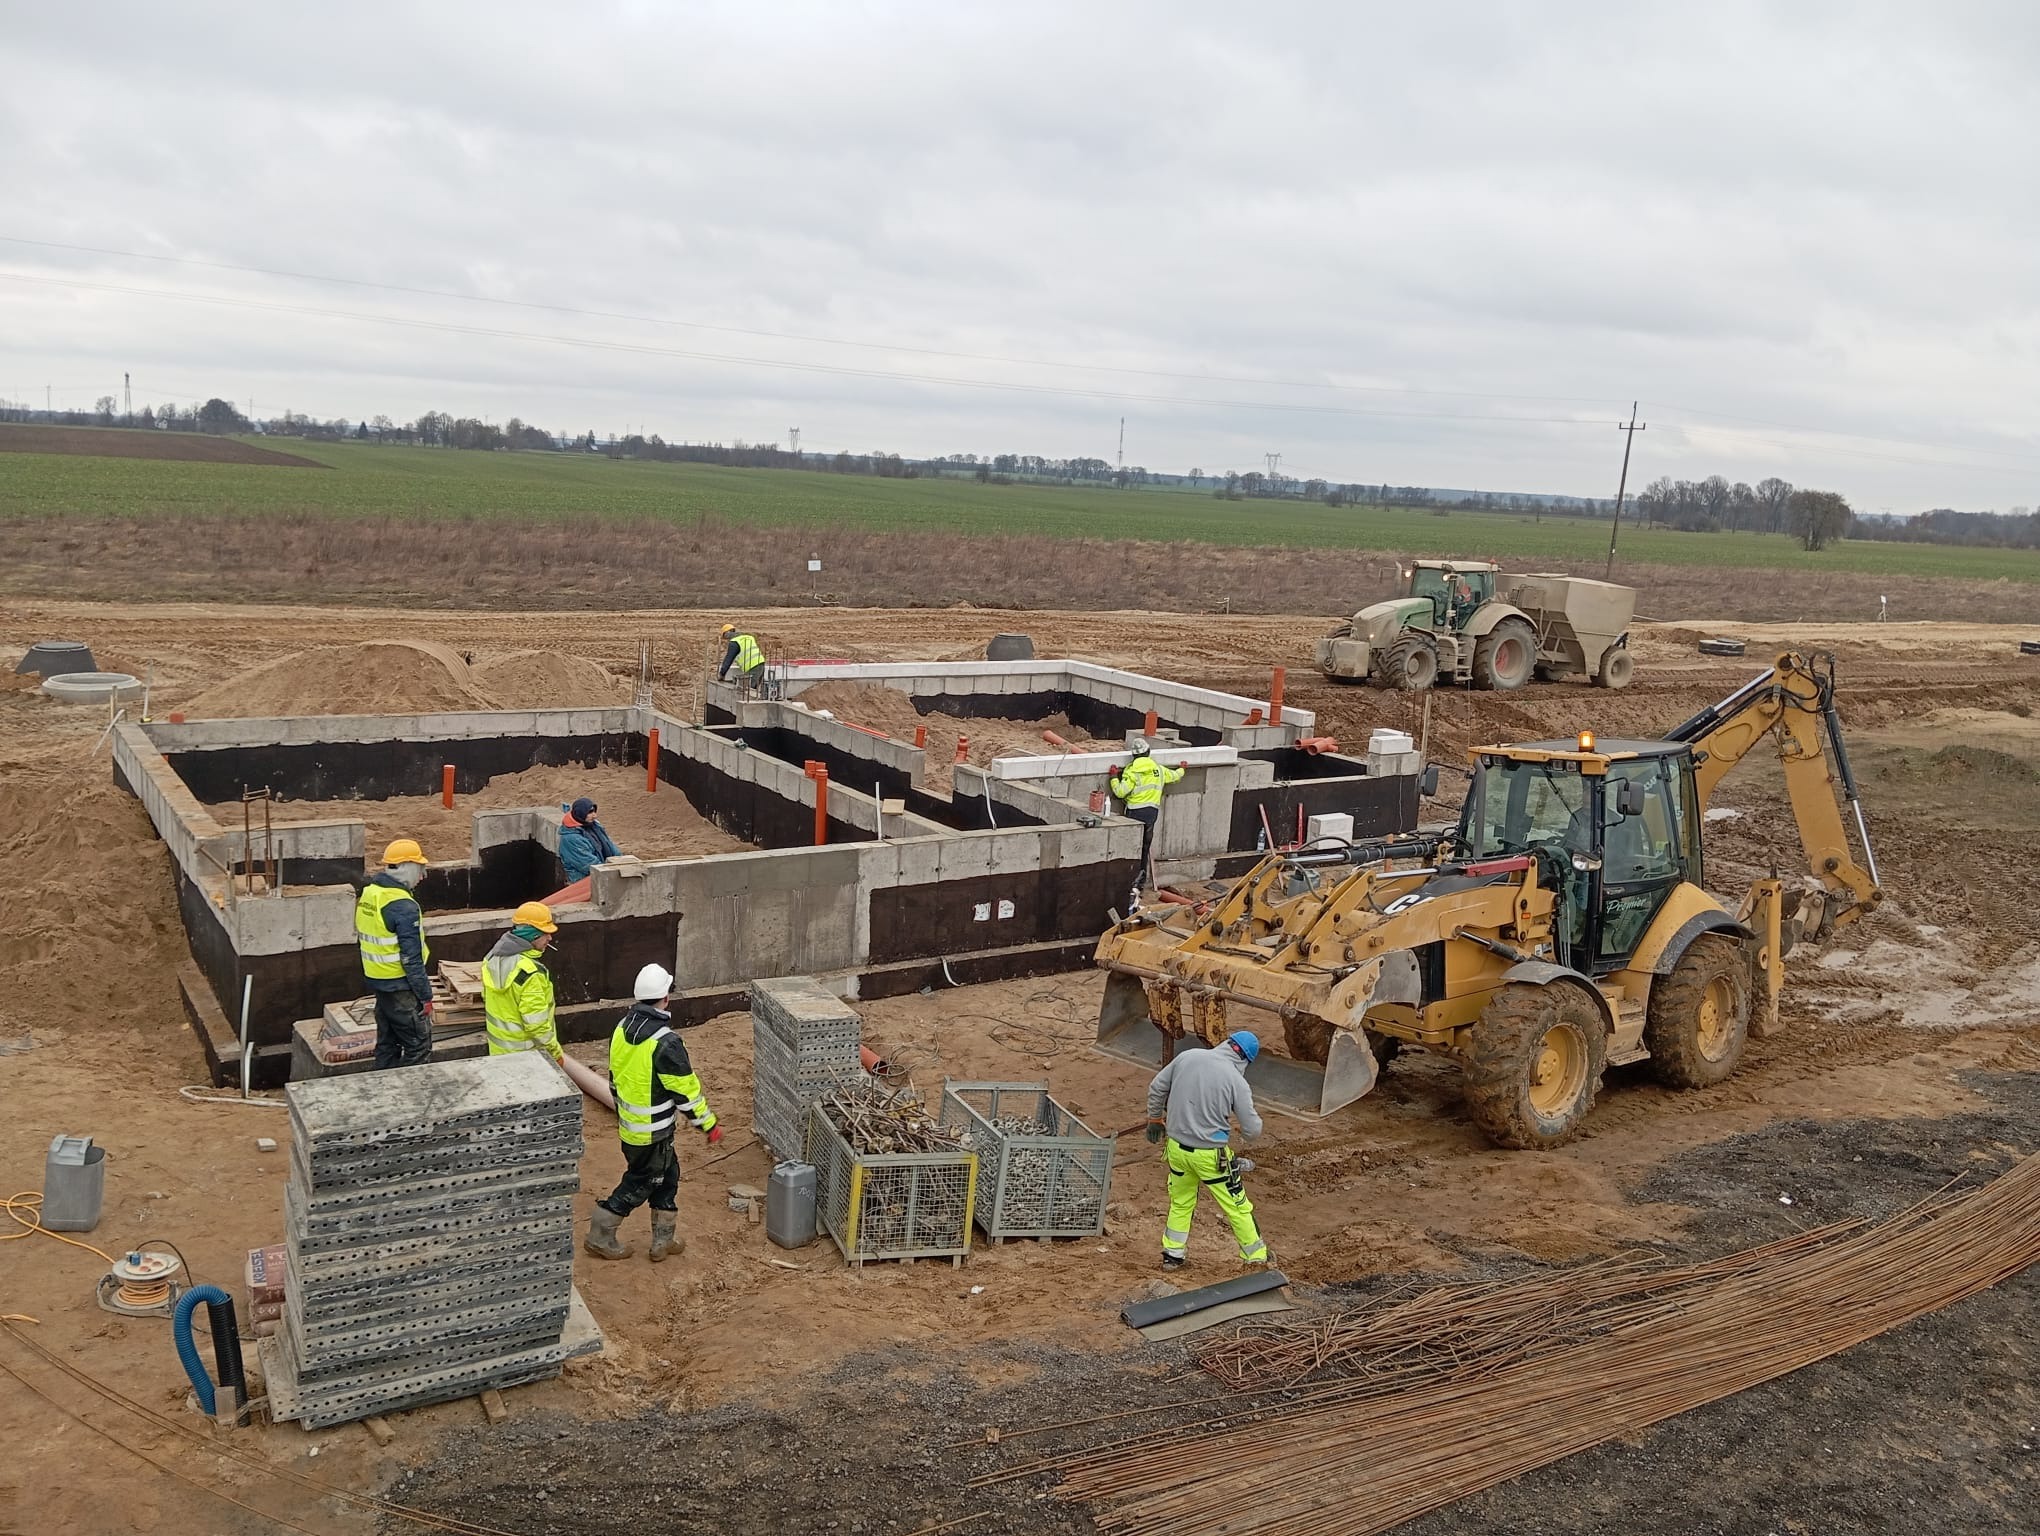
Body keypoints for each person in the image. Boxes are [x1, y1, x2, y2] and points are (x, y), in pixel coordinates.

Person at [584, 963, 723, 1263]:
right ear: (666, 998)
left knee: (669, 1175)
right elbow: (686, 1093)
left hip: (630, 1128)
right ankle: (600, 1233)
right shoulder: (666, 1042)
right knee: (643, 1181)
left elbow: (615, 1076)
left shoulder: (621, 1028)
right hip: (653, 1132)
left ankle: (663, 1240)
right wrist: (707, 1124)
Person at [1144, 1031, 1271, 1271]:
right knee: (1236, 1206)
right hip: (1210, 1156)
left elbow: (1157, 1087)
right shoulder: (1236, 1081)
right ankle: (1256, 1259)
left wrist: (1154, 1119)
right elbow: (1253, 1130)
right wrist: (1241, 1131)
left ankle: (1172, 1255)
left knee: (1181, 1203)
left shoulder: (1188, 1057)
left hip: (1176, 1150)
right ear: (1245, 1060)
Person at [355, 838, 434, 1070]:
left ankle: (383, 1091)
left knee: (387, 1044)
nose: (422, 877)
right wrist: (425, 996)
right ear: (407, 867)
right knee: (418, 1046)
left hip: (379, 982)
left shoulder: (371, 893)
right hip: (400, 987)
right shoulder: (402, 905)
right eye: (420, 870)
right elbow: (411, 959)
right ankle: (412, 1097)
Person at [481, 901, 561, 1062]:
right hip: (528, 1057)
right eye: (546, 933)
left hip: (498, 1052)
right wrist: (555, 1052)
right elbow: (536, 1024)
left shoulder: (492, 958)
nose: (550, 938)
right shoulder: (530, 973)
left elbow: (486, 996)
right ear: (533, 935)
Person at [1110, 737, 1185, 891]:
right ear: (1148, 752)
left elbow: (1119, 792)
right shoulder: (1159, 770)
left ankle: (1129, 880)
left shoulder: (1132, 771)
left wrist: (1113, 777)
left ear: (1134, 756)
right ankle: (1140, 881)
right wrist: (1182, 768)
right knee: (1145, 847)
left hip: (1134, 812)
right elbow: (1175, 776)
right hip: (1151, 813)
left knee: (1131, 847)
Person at [557, 797, 622, 884]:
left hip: (599, 875)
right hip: (583, 884)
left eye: (594, 811)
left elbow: (609, 845)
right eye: (590, 812)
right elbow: (589, 866)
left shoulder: (594, 826)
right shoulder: (571, 839)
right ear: (581, 813)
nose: (595, 815)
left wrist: (621, 861)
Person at [716, 623, 766, 688]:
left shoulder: (734, 642)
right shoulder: (748, 637)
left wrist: (722, 674)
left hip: (753, 668)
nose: (727, 640)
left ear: (727, 633)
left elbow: (728, 660)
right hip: (761, 664)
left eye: (725, 636)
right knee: (754, 691)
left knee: (749, 692)